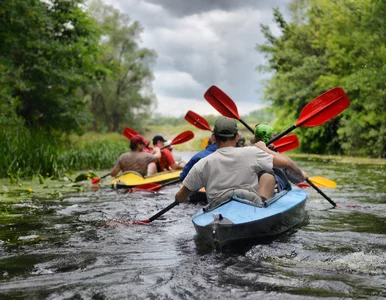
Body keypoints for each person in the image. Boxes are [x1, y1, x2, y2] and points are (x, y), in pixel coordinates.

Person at [175, 117, 307, 207]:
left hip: (217, 206)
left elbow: (181, 197)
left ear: (213, 137)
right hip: (251, 203)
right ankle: (264, 203)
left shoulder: (202, 163)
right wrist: (264, 149)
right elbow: (286, 163)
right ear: (237, 137)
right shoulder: (252, 152)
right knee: (267, 176)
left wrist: (177, 198)